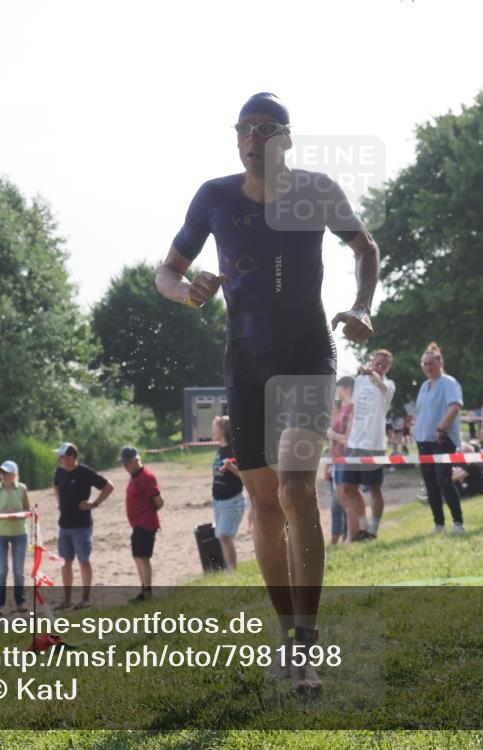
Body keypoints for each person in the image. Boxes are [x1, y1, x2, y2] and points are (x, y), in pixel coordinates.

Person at [154, 92, 379, 693]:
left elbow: (365, 247)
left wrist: (361, 306)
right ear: (236, 139)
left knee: (297, 488)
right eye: (244, 129)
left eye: (267, 129)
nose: (254, 139)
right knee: (264, 505)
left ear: (285, 139)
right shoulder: (214, 197)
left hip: (308, 355)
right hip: (244, 365)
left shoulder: (316, 190)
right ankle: (287, 639)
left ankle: (307, 641)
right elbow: (166, 272)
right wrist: (186, 292)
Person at [52, 442, 114, 610]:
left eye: (62, 457)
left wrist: (94, 504)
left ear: (71, 457)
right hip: (64, 524)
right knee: (65, 562)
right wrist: (59, 501)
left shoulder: (85, 472)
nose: (59, 460)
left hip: (82, 525)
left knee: (83, 560)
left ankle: (85, 598)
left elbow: (108, 486)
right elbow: (56, 485)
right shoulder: (59, 472)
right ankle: (67, 599)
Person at [341, 350, 395, 538]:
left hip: (374, 443)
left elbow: (380, 385)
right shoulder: (359, 381)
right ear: (372, 361)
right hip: (355, 442)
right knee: (348, 486)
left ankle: (374, 528)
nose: (378, 366)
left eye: (383, 365)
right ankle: (363, 527)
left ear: (388, 367)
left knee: (373, 487)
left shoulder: (388, 385)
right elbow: (352, 407)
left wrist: (370, 373)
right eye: (376, 363)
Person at [414, 343, 465, 534]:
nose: (428, 367)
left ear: (439, 363)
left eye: (431, 363)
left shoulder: (448, 383)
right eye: (425, 364)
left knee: (444, 480)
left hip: (442, 439)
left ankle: (458, 522)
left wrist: (441, 427)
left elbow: (454, 406)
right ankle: (439, 523)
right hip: (423, 440)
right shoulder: (424, 386)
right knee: (430, 483)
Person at [328, 376, 372, 542]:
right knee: (346, 497)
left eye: (338, 388)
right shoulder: (343, 408)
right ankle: (361, 529)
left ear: (345, 388)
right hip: (338, 458)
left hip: (347, 457)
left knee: (346, 498)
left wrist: (332, 434)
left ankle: (352, 537)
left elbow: (349, 438)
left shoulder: (352, 409)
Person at [121, 447, 163, 602]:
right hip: (138, 523)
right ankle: (144, 589)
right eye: (123, 463)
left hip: (145, 523)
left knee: (143, 557)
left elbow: (158, 501)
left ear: (135, 461)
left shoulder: (145, 476)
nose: (125, 466)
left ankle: (147, 591)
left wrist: (147, 513)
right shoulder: (135, 476)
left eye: (127, 462)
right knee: (138, 556)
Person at [0, 460, 30, 614]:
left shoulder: (22, 489)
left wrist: (17, 515)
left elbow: (28, 510)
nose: (3, 475)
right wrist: (4, 514)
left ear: (14, 475)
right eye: (1, 472)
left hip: (19, 532)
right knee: (1, 570)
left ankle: (21, 602)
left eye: (6, 473)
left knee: (18, 570)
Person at [211, 416, 246, 570]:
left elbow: (246, 476)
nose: (212, 430)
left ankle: (232, 571)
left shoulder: (234, 450)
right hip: (219, 501)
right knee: (222, 536)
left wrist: (232, 467)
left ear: (223, 429)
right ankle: (228, 569)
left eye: (215, 427)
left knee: (225, 535)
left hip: (232, 500)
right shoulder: (220, 449)